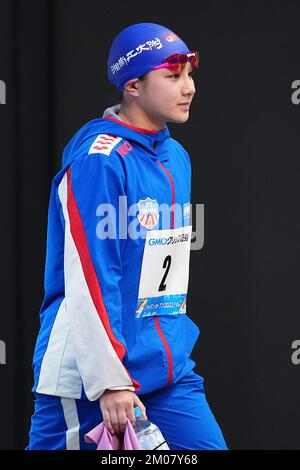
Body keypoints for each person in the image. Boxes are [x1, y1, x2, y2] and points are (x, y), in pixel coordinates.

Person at [26, 22, 228, 450]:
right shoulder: (97, 161)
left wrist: (167, 351)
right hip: (88, 380)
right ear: (133, 85)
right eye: (173, 77)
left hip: (165, 373)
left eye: (189, 75)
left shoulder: (177, 157)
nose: (188, 87)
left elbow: (166, 272)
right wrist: (110, 381)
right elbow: (90, 275)